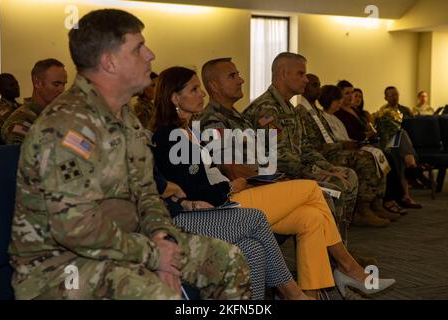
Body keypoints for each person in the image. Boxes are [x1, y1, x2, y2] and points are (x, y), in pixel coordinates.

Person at [8, 9, 251, 300]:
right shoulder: (66, 127)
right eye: (138, 48)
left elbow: (147, 192)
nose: (150, 54)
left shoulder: (125, 117)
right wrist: (153, 255)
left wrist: (164, 240)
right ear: (109, 62)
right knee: (158, 295)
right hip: (62, 267)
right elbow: (75, 229)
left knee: (228, 261)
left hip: (129, 244)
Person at [151, 66, 395, 299]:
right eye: (194, 89)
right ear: (174, 98)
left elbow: (209, 174)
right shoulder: (169, 136)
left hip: (233, 193)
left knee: (311, 218)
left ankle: (310, 293)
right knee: (311, 189)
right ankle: (346, 267)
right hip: (222, 204)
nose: (201, 93)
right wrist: (230, 186)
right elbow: (192, 190)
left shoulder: (187, 131)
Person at [242, 52, 359, 232]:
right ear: (283, 74)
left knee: (347, 175)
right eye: (301, 74)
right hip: (276, 178)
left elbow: (305, 147)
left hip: (295, 172)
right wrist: (317, 172)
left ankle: (336, 245)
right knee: (336, 187)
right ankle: (330, 251)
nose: (305, 80)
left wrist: (328, 167)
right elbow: (281, 159)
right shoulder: (266, 108)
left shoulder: (290, 108)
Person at [153, 167, 310, 300]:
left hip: (174, 211)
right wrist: (171, 188)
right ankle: (294, 295)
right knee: (256, 218)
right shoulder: (161, 138)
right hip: (162, 225)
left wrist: (185, 203)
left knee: (252, 248)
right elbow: (156, 187)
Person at [297, 77, 392, 226]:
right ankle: (362, 209)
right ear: (305, 88)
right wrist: (342, 146)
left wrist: (345, 144)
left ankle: (376, 203)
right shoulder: (302, 111)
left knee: (373, 154)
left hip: (331, 150)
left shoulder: (315, 111)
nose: (318, 89)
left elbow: (330, 139)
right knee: (364, 158)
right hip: (322, 155)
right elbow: (313, 146)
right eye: (315, 85)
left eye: (319, 85)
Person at [319, 84, 404, 218]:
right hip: (334, 152)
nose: (340, 102)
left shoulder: (335, 118)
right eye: (338, 100)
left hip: (346, 146)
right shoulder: (323, 118)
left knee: (378, 154)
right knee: (367, 158)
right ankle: (363, 207)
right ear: (331, 100)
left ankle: (377, 202)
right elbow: (332, 140)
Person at [1, 59, 67, 144]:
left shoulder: (57, 115)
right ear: (38, 83)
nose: (61, 90)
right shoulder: (19, 122)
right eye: (56, 84)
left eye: (64, 84)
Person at [0, 73, 21, 144]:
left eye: (16, 83)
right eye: (11, 85)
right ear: (0, 89)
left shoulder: (21, 107)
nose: (16, 87)